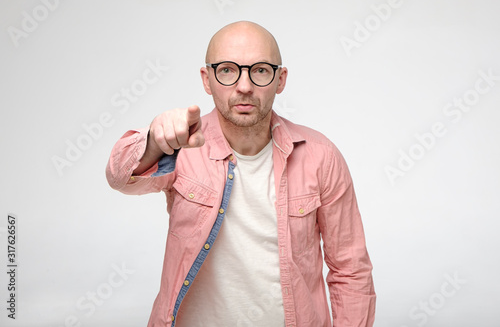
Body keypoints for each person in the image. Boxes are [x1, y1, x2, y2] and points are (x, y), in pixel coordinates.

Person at [106, 21, 376, 327]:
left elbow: (350, 270)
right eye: (227, 70)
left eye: (260, 70)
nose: (244, 86)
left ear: (280, 79)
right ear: (207, 80)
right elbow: (119, 177)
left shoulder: (320, 156)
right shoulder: (181, 145)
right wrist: (154, 142)